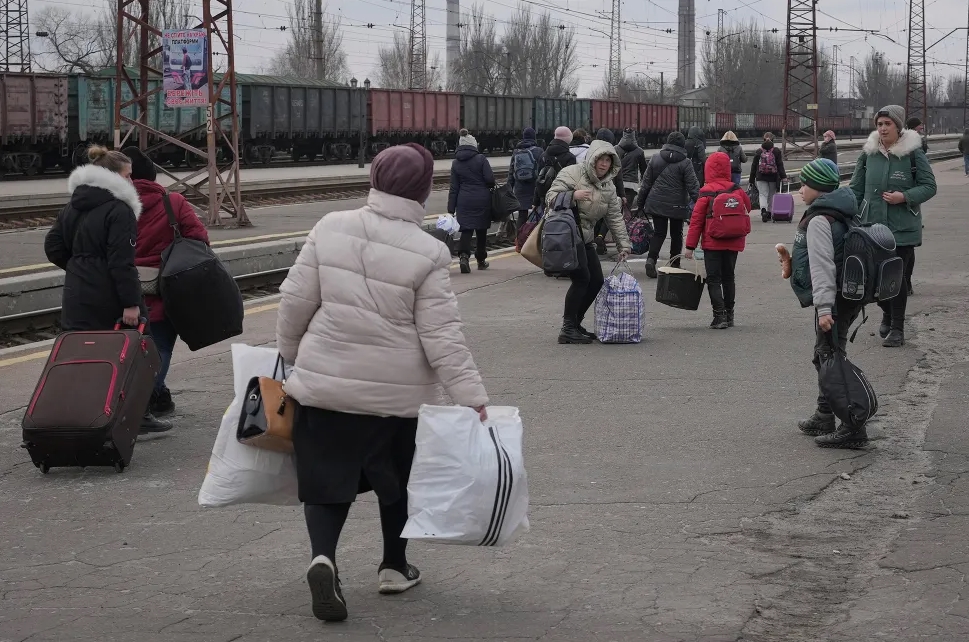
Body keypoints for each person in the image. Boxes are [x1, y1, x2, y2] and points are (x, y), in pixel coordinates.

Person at [275, 143, 489, 622]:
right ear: (419, 190)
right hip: (396, 400)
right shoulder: (430, 250)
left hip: (325, 389)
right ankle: (394, 566)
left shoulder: (330, 226)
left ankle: (323, 557)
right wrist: (471, 396)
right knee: (398, 483)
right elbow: (441, 336)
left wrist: (293, 357)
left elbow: (293, 302)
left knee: (327, 482)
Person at [43, 145, 171, 434]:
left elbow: (53, 247)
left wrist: (80, 269)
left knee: (81, 358)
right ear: (113, 177)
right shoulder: (119, 209)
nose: (131, 182)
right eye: (127, 176)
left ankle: (79, 414)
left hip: (77, 294)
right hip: (111, 295)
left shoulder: (72, 206)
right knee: (136, 353)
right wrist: (130, 304)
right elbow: (121, 262)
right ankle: (137, 416)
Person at [122, 146, 210, 419]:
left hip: (121, 288)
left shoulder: (114, 203)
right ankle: (144, 403)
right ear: (153, 177)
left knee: (124, 349)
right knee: (159, 348)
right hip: (163, 290)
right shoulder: (173, 203)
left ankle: (149, 397)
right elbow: (200, 240)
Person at [790, 157, 869, 449]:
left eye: (804, 183)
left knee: (831, 358)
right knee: (825, 354)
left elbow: (823, 266)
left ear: (818, 187)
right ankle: (824, 414)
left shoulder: (821, 220)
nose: (800, 189)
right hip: (845, 296)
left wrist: (824, 308)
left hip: (833, 299)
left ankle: (852, 427)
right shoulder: (842, 210)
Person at [849, 105, 937, 348]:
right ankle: (886, 312)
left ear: (898, 127)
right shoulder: (868, 153)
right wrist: (847, 216)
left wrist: (905, 197)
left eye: (888, 124)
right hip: (872, 227)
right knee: (874, 280)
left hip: (902, 229)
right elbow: (856, 189)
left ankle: (897, 328)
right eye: (879, 124)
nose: (883, 128)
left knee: (896, 280)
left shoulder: (912, 153)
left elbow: (930, 186)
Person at [545, 140, 632, 344]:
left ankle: (575, 323)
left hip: (585, 237)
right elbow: (550, 197)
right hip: (567, 236)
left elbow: (614, 217)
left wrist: (623, 245)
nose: (603, 164)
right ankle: (567, 328)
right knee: (582, 279)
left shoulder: (608, 186)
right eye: (600, 159)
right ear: (592, 159)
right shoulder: (573, 173)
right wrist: (572, 195)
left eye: (608, 161)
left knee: (596, 281)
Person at [684, 152, 752, 329]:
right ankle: (730, 315)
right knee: (729, 277)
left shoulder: (706, 192)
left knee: (714, 279)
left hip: (712, 242)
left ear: (708, 170)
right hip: (734, 240)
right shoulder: (736, 189)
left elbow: (696, 221)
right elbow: (748, 206)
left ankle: (719, 316)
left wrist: (690, 246)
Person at [635, 131, 700, 278]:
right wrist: (702, 204)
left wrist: (640, 204)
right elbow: (693, 187)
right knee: (676, 234)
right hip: (677, 205)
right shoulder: (686, 162)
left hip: (656, 203)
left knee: (659, 233)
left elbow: (645, 184)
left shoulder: (655, 158)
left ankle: (651, 260)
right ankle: (674, 264)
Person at [448, 129, 495, 274]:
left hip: (464, 200)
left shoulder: (456, 163)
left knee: (466, 229)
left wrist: (451, 208)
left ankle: (463, 257)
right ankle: (481, 261)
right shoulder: (481, 159)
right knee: (481, 230)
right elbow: (490, 180)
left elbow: (454, 187)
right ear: (474, 145)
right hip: (481, 199)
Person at [592, 127, 627, 254]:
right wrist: (622, 195)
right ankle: (601, 237)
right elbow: (619, 177)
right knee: (608, 217)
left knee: (595, 216)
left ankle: (596, 241)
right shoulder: (612, 154)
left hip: (593, 189)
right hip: (609, 190)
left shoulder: (592, 153)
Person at [532, 126, 577, 209]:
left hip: (545, 198)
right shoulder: (570, 157)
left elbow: (539, 179)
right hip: (562, 198)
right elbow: (571, 182)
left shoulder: (543, 155)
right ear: (568, 139)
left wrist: (535, 202)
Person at [508, 128, 543, 230]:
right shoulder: (539, 151)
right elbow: (542, 170)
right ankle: (534, 239)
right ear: (534, 137)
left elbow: (511, 172)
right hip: (535, 187)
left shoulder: (516, 151)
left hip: (520, 188)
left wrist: (509, 188)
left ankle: (519, 240)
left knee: (522, 215)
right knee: (538, 213)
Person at [749, 132, 788, 223]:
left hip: (761, 176)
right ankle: (769, 213)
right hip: (773, 177)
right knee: (771, 195)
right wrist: (783, 177)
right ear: (773, 140)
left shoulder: (759, 151)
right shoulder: (776, 151)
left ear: (763, 139)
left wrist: (751, 179)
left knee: (762, 194)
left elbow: (754, 166)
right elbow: (779, 165)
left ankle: (763, 211)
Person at [616, 127, 649, 203]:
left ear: (623, 135)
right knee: (627, 208)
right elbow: (644, 170)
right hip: (632, 185)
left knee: (617, 209)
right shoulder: (639, 151)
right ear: (634, 136)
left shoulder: (616, 149)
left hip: (618, 184)